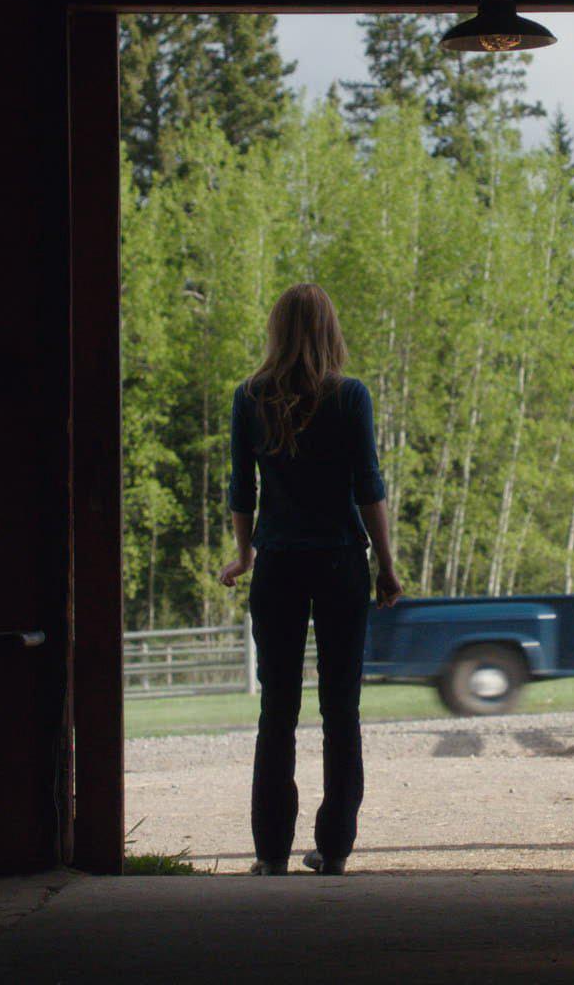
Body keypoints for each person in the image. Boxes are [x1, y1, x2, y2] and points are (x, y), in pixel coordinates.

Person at [220, 282, 402, 876]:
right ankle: (336, 848)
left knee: (277, 709)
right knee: (340, 709)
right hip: (340, 563)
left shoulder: (250, 398)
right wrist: (387, 564)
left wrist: (245, 555)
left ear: (276, 331)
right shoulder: (350, 398)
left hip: (278, 566)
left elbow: (242, 490)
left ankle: (271, 852)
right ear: (330, 330)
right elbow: (368, 486)